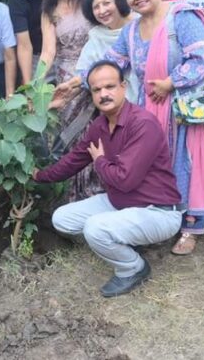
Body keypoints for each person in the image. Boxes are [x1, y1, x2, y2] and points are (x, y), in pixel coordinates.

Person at [104, 0, 204, 255]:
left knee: (188, 164)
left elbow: (201, 58)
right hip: (152, 112)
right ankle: (163, 221)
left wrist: (171, 83)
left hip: (185, 110)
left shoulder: (181, 17)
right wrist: (83, 80)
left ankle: (191, 227)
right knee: (159, 168)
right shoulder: (131, 30)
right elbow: (112, 62)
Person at [33, 61, 183, 297]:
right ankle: (125, 239)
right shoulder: (100, 126)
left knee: (95, 228)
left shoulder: (143, 124)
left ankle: (133, 268)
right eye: (96, 90)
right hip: (120, 202)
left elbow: (124, 180)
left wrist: (100, 161)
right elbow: (73, 160)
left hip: (157, 211)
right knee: (62, 218)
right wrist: (39, 176)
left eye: (110, 87)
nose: (104, 94)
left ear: (124, 87)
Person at [39, 0, 98, 200]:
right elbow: (48, 51)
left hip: (95, 73)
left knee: (96, 131)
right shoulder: (49, 10)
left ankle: (98, 189)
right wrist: (35, 86)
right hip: (66, 82)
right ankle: (75, 193)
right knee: (72, 136)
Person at [53, 0, 139, 104]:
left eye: (106, 3)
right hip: (112, 108)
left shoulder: (139, 26)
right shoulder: (96, 36)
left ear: (119, 1)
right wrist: (64, 98)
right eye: (96, 7)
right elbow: (87, 74)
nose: (102, 10)